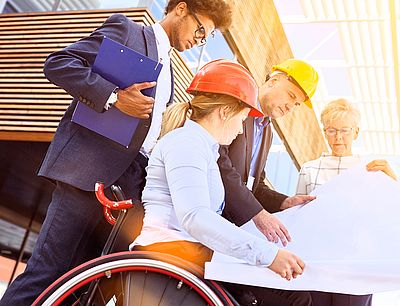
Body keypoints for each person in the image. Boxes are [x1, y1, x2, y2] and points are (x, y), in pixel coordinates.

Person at [0, 1, 232, 304]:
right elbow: (59, 63)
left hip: (126, 190)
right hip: (88, 178)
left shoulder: (170, 71)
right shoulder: (128, 31)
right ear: (181, 9)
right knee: (47, 274)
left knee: (83, 286)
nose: (198, 41)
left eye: (205, 39)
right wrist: (113, 97)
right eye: (201, 30)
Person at [131, 59, 312, 306]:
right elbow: (195, 216)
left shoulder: (203, 147)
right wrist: (268, 254)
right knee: (292, 296)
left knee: (290, 293)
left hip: (192, 250)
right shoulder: (186, 143)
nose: (240, 130)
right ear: (225, 112)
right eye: (242, 119)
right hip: (174, 251)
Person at [296, 98, 397, 306]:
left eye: (345, 130)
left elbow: (390, 211)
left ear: (356, 132)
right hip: (318, 260)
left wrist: (392, 179)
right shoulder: (309, 169)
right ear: (324, 132)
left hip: (357, 263)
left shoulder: (371, 168)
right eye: (331, 130)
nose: (338, 138)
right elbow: (298, 216)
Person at [218, 59, 319, 247]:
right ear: (273, 81)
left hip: (230, 226)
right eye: (290, 95)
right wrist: (257, 213)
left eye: (296, 104)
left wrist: (285, 202)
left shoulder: (266, 132)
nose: (290, 106)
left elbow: (255, 185)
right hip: (208, 216)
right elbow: (219, 163)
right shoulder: (236, 105)